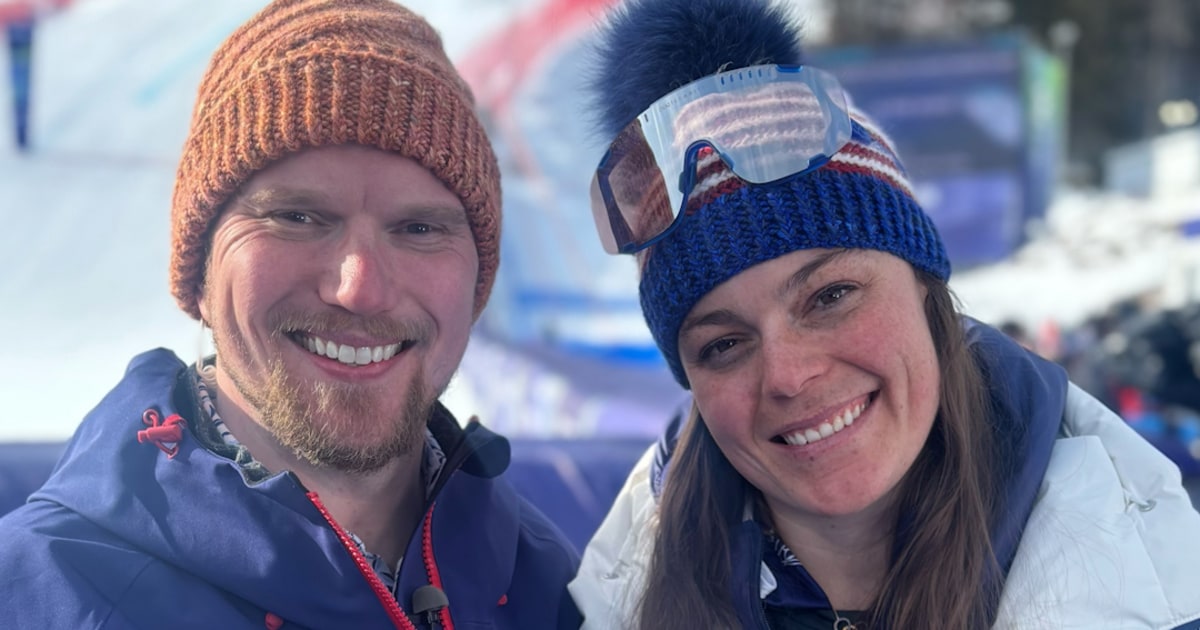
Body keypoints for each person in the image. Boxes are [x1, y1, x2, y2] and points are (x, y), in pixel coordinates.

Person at [566, 0, 1200, 628]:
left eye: (830, 296)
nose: (788, 375)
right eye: (724, 345)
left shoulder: (1163, 590)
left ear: (924, 287)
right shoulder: (610, 605)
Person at [0, 1, 581, 628]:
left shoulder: (551, 588)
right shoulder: (40, 595)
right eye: (297, 217)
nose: (359, 289)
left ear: (476, 285)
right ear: (199, 269)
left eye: (418, 228)